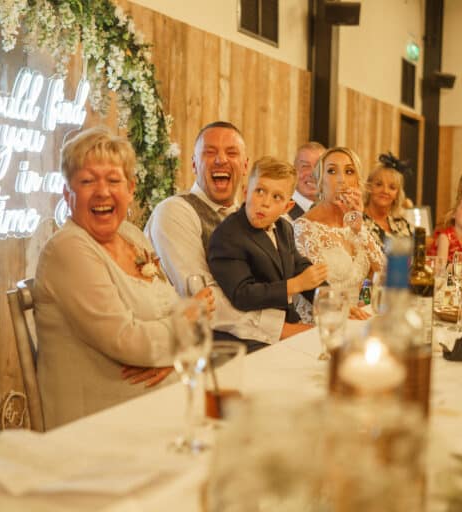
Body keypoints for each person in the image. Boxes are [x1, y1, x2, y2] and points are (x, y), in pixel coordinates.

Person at [34, 128, 214, 429]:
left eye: (113, 180)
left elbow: (171, 311)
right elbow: (128, 341)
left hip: (160, 398)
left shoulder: (131, 235)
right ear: (68, 194)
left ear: (130, 189)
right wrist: (186, 327)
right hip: (103, 418)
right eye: (88, 181)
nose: (103, 191)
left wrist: (171, 353)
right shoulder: (68, 249)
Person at [146, 121, 305, 345]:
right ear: (194, 164)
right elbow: (204, 299)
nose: (221, 159)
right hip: (204, 349)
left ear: (244, 166)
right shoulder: (174, 211)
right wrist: (284, 329)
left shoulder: (258, 217)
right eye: (209, 152)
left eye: (232, 153)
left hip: (266, 340)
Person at [208, 157, 327, 325]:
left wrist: (330, 301)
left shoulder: (284, 227)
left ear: (287, 207)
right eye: (260, 191)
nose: (265, 203)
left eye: (277, 197)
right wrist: (295, 285)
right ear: (245, 192)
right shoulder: (228, 236)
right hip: (254, 333)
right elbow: (242, 295)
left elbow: (299, 266)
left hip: (290, 320)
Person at [293, 147, 384, 320]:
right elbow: (312, 288)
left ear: (357, 182)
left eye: (349, 171)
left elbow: (386, 276)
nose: (342, 179)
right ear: (320, 181)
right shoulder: (304, 228)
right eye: (332, 171)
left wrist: (360, 228)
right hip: (319, 322)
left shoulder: (357, 226)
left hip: (358, 320)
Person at [363, 152, 413, 249]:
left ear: (397, 194)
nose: (385, 191)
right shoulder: (357, 222)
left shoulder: (403, 225)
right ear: (369, 187)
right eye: (378, 184)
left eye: (392, 187)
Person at [288, 142, 325, 220]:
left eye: (319, 167)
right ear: (294, 171)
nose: (313, 173)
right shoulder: (281, 210)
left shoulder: (332, 209)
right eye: (305, 166)